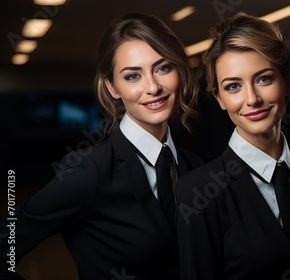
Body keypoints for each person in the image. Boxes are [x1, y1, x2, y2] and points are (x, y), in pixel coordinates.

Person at [0, 13, 202, 280]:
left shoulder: (195, 167)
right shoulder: (89, 170)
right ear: (112, 87)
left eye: (163, 68)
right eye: (132, 76)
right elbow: (7, 241)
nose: (153, 87)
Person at [176, 12, 290, 280]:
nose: (252, 99)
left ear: (287, 81)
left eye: (264, 79)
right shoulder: (198, 191)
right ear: (219, 98)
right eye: (233, 86)